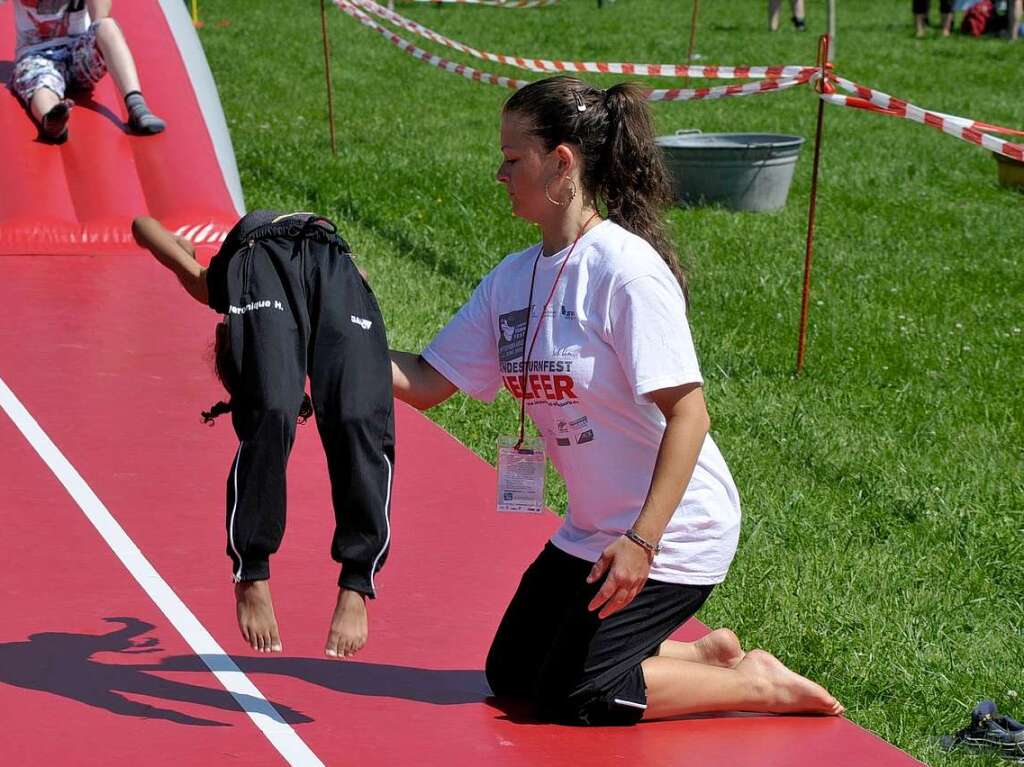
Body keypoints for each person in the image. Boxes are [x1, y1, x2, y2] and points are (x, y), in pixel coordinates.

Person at [389, 75, 843, 725]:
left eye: (514, 159)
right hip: (591, 532)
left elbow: (691, 413)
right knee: (513, 673)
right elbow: (428, 381)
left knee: (578, 693)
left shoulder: (624, 271)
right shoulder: (512, 278)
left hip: (673, 532)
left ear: (562, 163)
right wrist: (333, 344)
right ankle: (701, 654)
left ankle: (760, 683)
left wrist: (642, 540)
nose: (500, 172)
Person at [132, 211, 395, 658]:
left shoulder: (217, 286)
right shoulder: (267, 321)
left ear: (230, 331)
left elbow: (141, 225)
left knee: (336, 413)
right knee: (306, 411)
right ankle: (257, 573)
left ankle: (354, 580)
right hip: (331, 265)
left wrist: (178, 245)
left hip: (283, 250)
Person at [4, 0, 164, 142]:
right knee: (40, 84)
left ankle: (136, 105)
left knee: (108, 26)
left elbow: (99, 18)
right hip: (37, 55)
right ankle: (52, 119)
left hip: (78, 53)